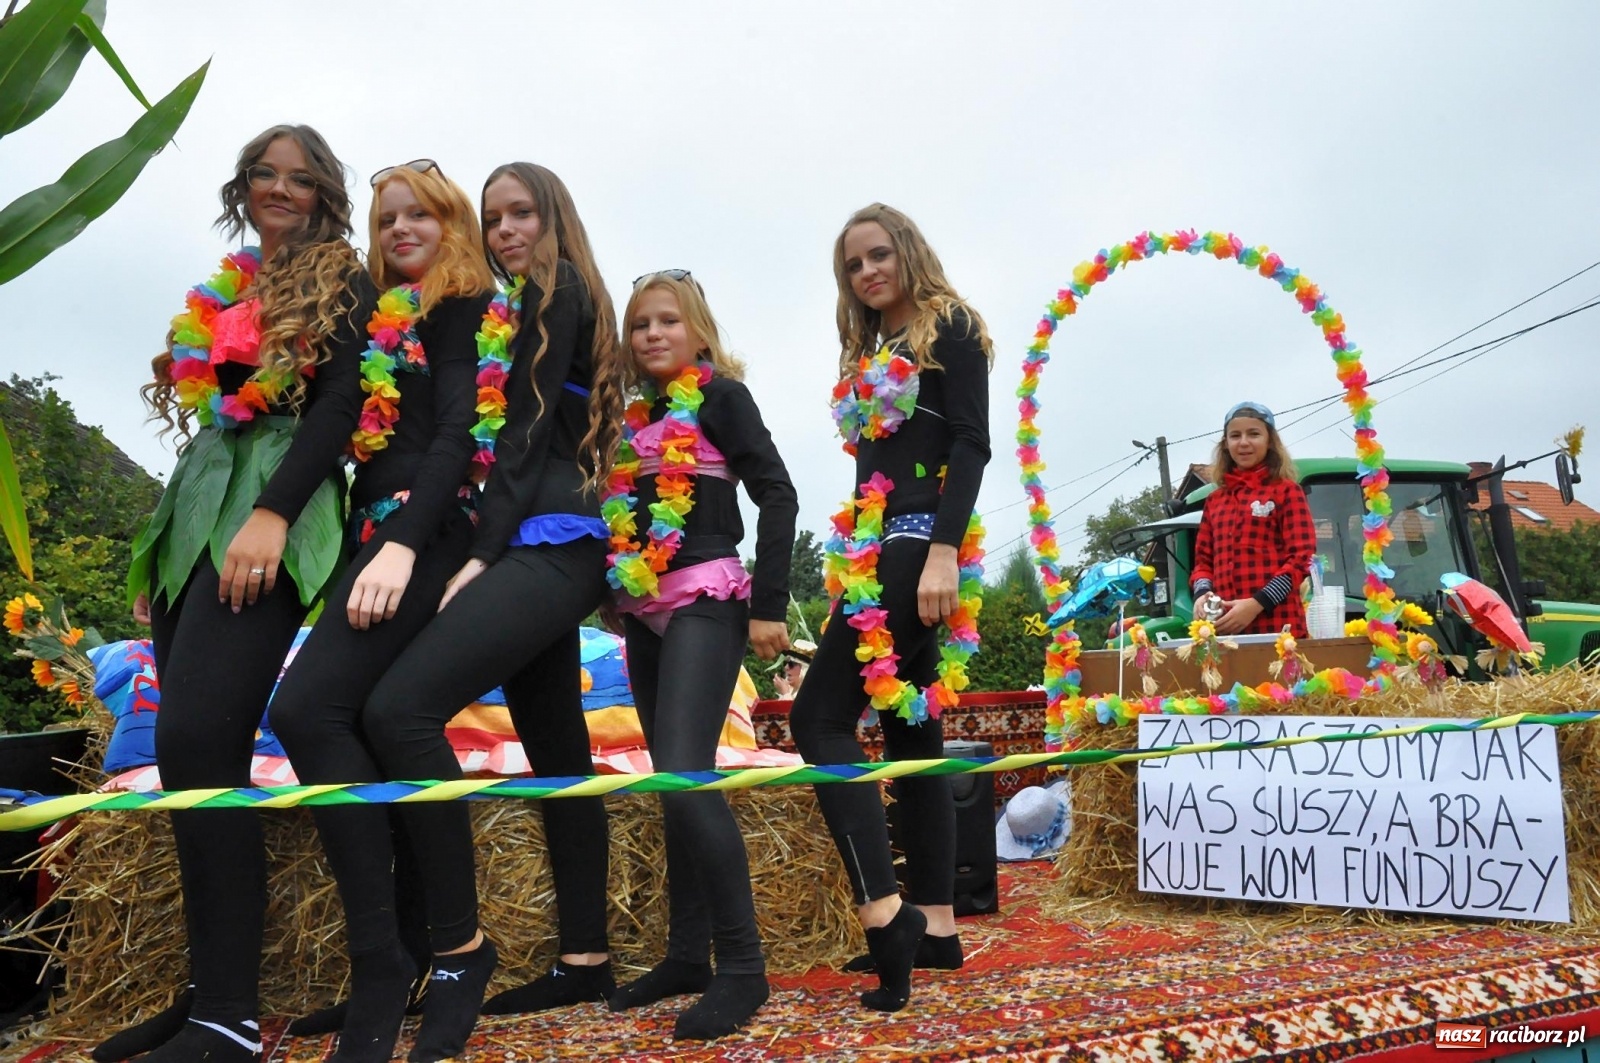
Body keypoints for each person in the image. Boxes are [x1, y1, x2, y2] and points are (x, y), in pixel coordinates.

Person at [107, 124, 377, 1063]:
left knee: (197, 739)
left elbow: (340, 408)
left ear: (324, 195)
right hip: (197, 512)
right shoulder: (235, 285)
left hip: (274, 510)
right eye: (263, 173)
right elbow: (213, 425)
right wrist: (163, 556)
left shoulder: (344, 279)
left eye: (299, 179)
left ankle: (230, 1016)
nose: (278, 188)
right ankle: (204, 994)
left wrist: (271, 514)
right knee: (189, 760)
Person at [359, 162, 624, 1063]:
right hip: (533, 531)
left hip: (550, 536)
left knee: (401, 708)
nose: (506, 229)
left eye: (522, 213)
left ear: (555, 216)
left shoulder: (559, 288)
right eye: (494, 217)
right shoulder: (520, 300)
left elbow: (521, 436)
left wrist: (476, 554)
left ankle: (456, 948)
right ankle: (586, 955)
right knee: (556, 741)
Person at [267, 159, 494, 1063]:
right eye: (388, 217)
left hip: (424, 529)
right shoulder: (379, 317)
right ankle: (397, 956)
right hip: (371, 532)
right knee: (357, 716)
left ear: (451, 226)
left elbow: (456, 433)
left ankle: (447, 949)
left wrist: (404, 543)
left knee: (306, 708)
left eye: (420, 216)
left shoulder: (463, 309)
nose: (401, 230)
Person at [790, 203, 991, 1013]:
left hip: (921, 545)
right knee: (913, 732)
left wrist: (942, 550)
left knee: (817, 721)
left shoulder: (952, 327)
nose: (868, 271)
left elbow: (971, 444)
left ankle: (889, 915)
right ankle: (938, 928)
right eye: (853, 265)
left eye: (879, 255)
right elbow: (870, 471)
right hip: (875, 553)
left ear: (906, 251)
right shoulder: (872, 351)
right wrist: (850, 574)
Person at [600, 271, 797, 1039]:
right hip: (642, 607)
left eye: (667, 321)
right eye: (640, 323)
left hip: (709, 598)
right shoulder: (630, 415)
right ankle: (687, 955)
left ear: (699, 333)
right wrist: (612, 594)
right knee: (669, 775)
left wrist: (771, 606)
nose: (651, 334)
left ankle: (744, 969)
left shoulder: (721, 398)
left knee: (687, 772)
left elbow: (778, 493)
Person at [1190, 401, 1315, 638]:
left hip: (1279, 630)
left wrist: (1256, 604)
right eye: (1235, 435)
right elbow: (1203, 563)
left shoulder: (1287, 491)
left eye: (1254, 434)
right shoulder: (1215, 500)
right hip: (1225, 632)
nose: (1244, 442)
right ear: (1226, 445)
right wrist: (1202, 593)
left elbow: (1301, 559)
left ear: (1270, 442)